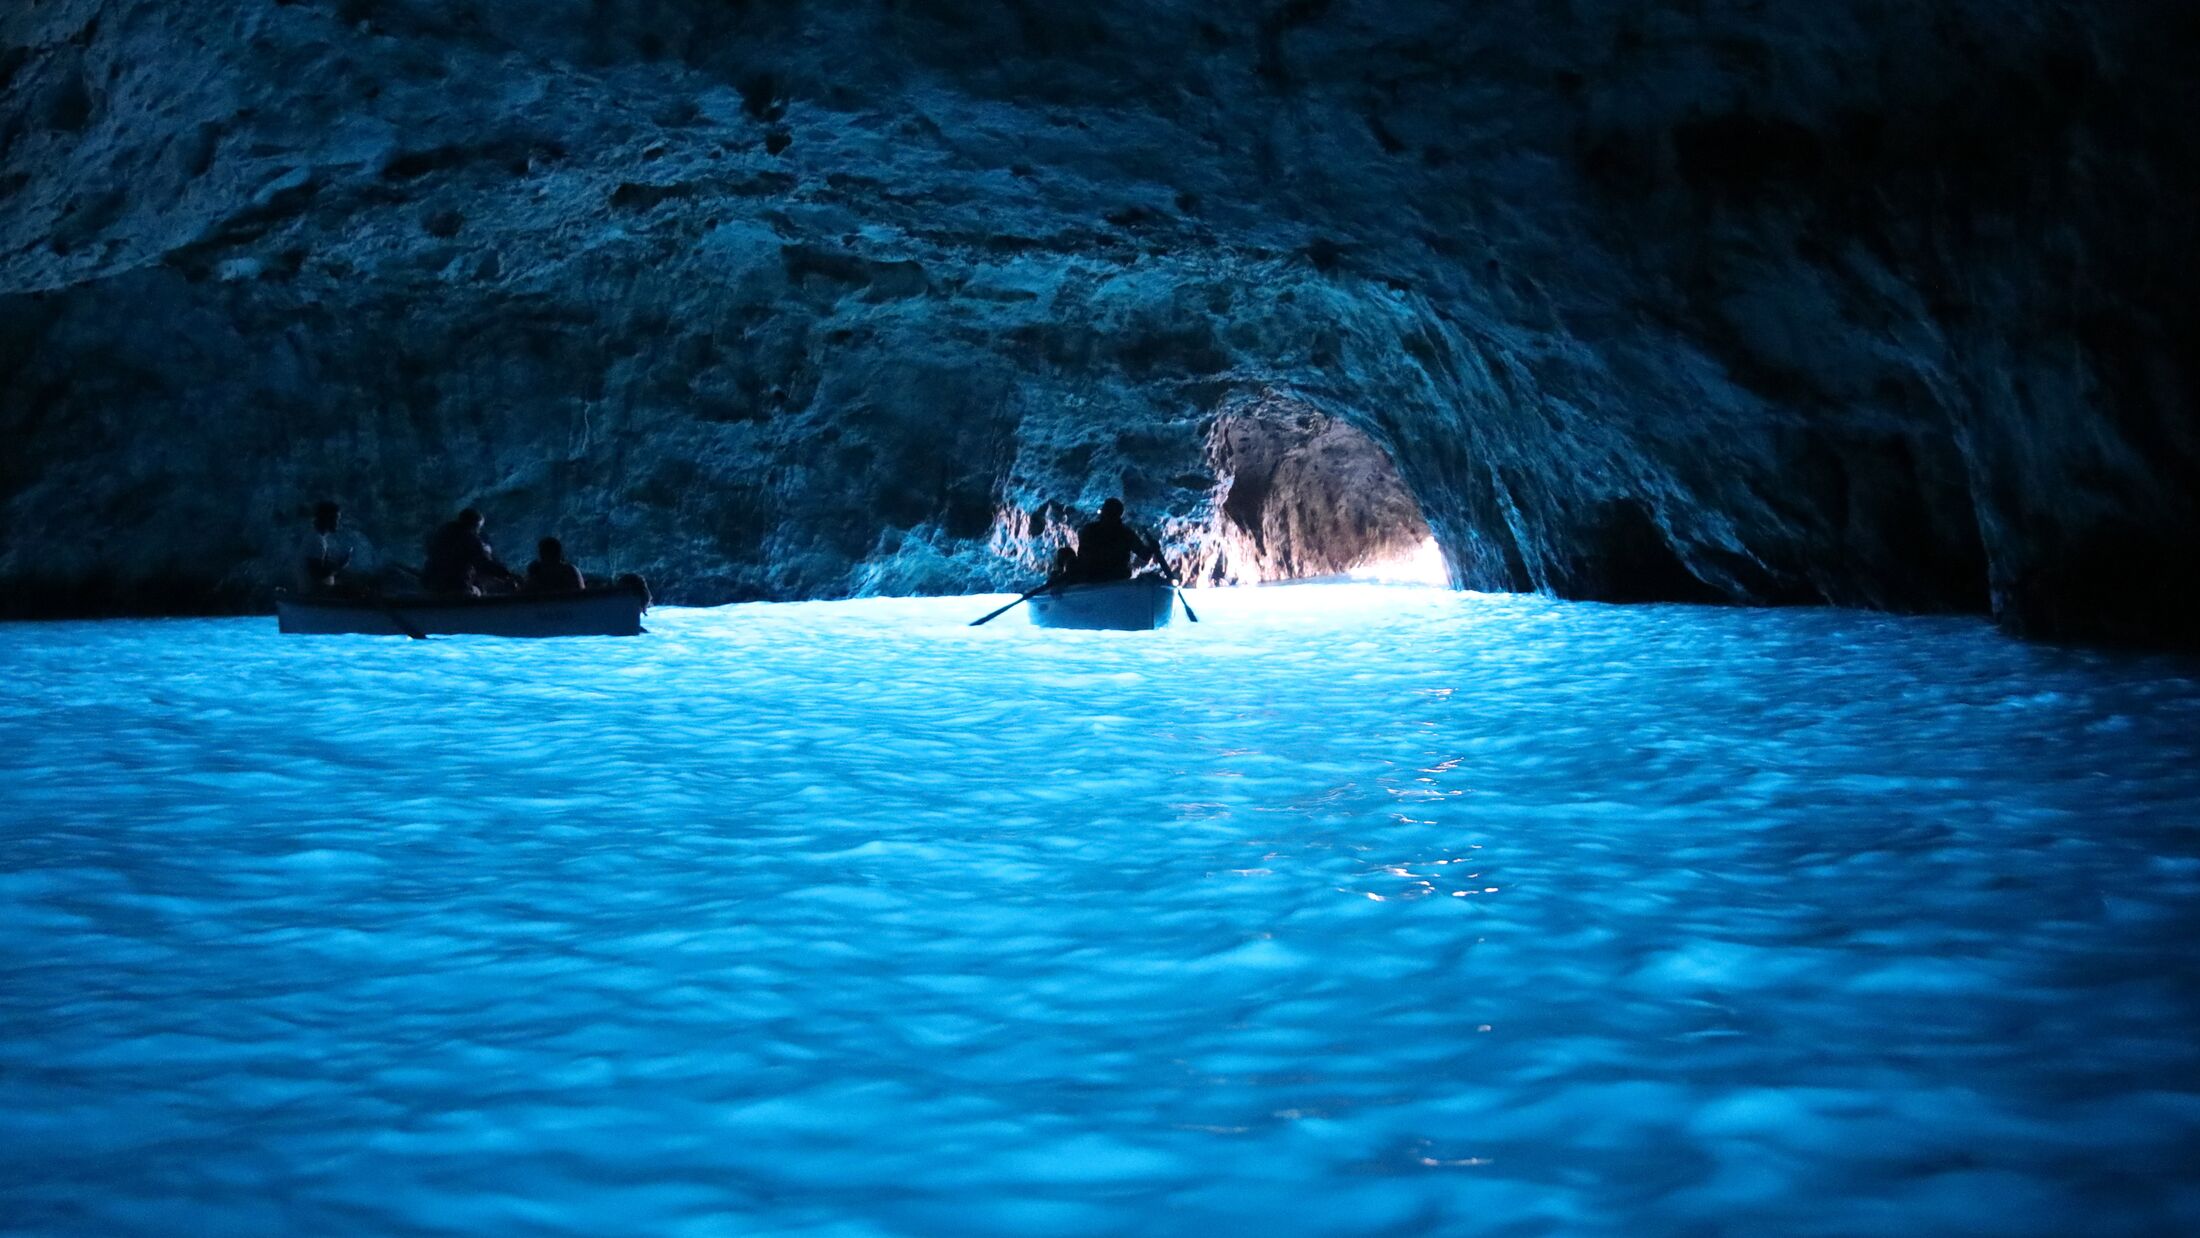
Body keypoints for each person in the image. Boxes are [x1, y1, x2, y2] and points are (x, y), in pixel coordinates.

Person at [422, 507, 519, 596]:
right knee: (480, 590)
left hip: (429, 582)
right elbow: (484, 565)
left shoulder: (440, 534)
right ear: (474, 525)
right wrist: (507, 573)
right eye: (479, 528)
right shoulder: (470, 539)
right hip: (454, 587)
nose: (479, 532)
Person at [1062, 497, 1162, 583]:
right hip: (1106, 576)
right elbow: (1144, 554)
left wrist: (1152, 548)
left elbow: (1144, 554)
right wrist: (1152, 548)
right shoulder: (1124, 533)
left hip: (1101, 576)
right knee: (1069, 558)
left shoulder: (1092, 529)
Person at [300, 499, 375, 595]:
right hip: (315, 594)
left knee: (359, 579)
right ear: (327, 519)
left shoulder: (315, 538)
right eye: (336, 519)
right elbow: (317, 574)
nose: (337, 523)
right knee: (364, 589)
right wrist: (340, 565)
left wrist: (336, 565)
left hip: (318, 590)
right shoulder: (316, 540)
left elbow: (320, 569)